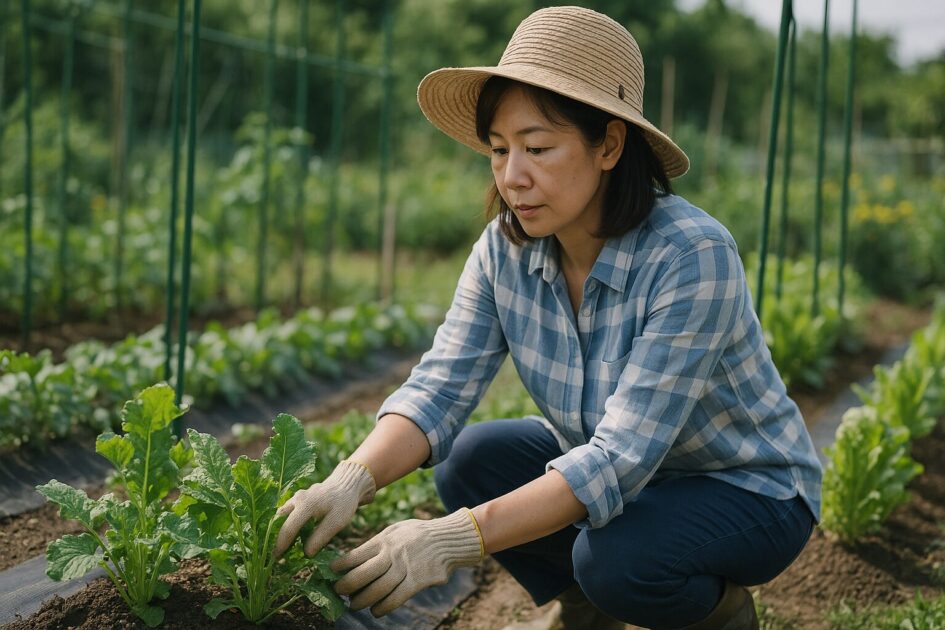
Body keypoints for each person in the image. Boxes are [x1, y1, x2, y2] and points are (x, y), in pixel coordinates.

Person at [274, 6, 822, 630]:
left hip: (745, 488)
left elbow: (619, 458)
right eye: (499, 150)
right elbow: (439, 387)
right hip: (623, 474)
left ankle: (720, 615)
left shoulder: (690, 255)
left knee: (615, 559)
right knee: (469, 460)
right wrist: (349, 480)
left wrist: (451, 539)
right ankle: (586, 614)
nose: (513, 177)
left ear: (609, 144)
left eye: (537, 147)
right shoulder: (505, 252)